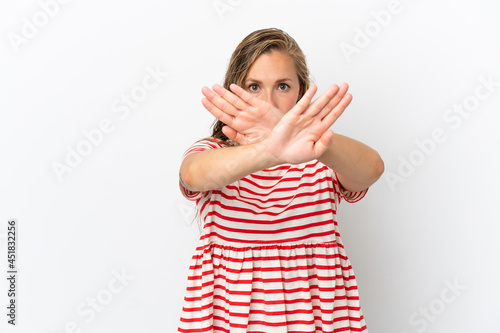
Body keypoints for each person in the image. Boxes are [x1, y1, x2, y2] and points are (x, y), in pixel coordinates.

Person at [177, 27, 384, 333]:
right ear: (235, 90)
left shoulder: (320, 157)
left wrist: (307, 137)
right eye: (254, 86)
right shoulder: (215, 151)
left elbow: (372, 169)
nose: (269, 101)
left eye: (283, 86)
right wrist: (269, 150)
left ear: (301, 92)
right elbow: (192, 174)